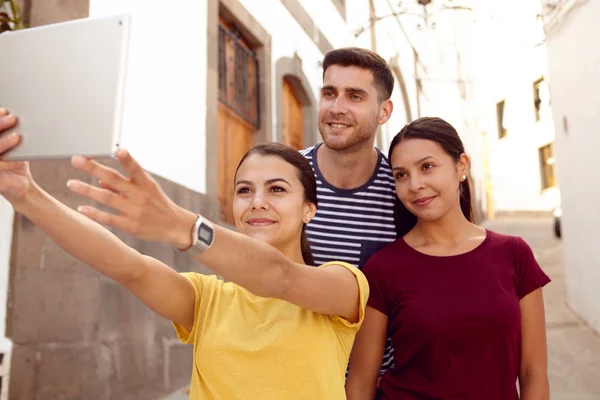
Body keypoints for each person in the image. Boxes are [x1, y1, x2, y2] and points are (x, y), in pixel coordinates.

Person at [0, 109, 368, 400]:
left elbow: (279, 277)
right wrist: (25, 195)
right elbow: (128, 267)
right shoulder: (208, 299)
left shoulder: (342, 286)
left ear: (309, 209)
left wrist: (185, 227)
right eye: (244, 190)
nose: (257, 203)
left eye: (276, 189)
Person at [345, 117, 551, 400]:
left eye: (427, 167)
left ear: (462, 166)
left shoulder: (514, 255)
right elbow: (360, 383)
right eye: (401, 175)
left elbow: (533, 373)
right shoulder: (383, 268)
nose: (415, 184)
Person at [302, 46, 398, 376]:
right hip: (291, 383)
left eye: (355, 96)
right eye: (330, 93)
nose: (336, 108)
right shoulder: (284, 178)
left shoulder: (404, 193)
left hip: (377, 387)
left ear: (383, 111)